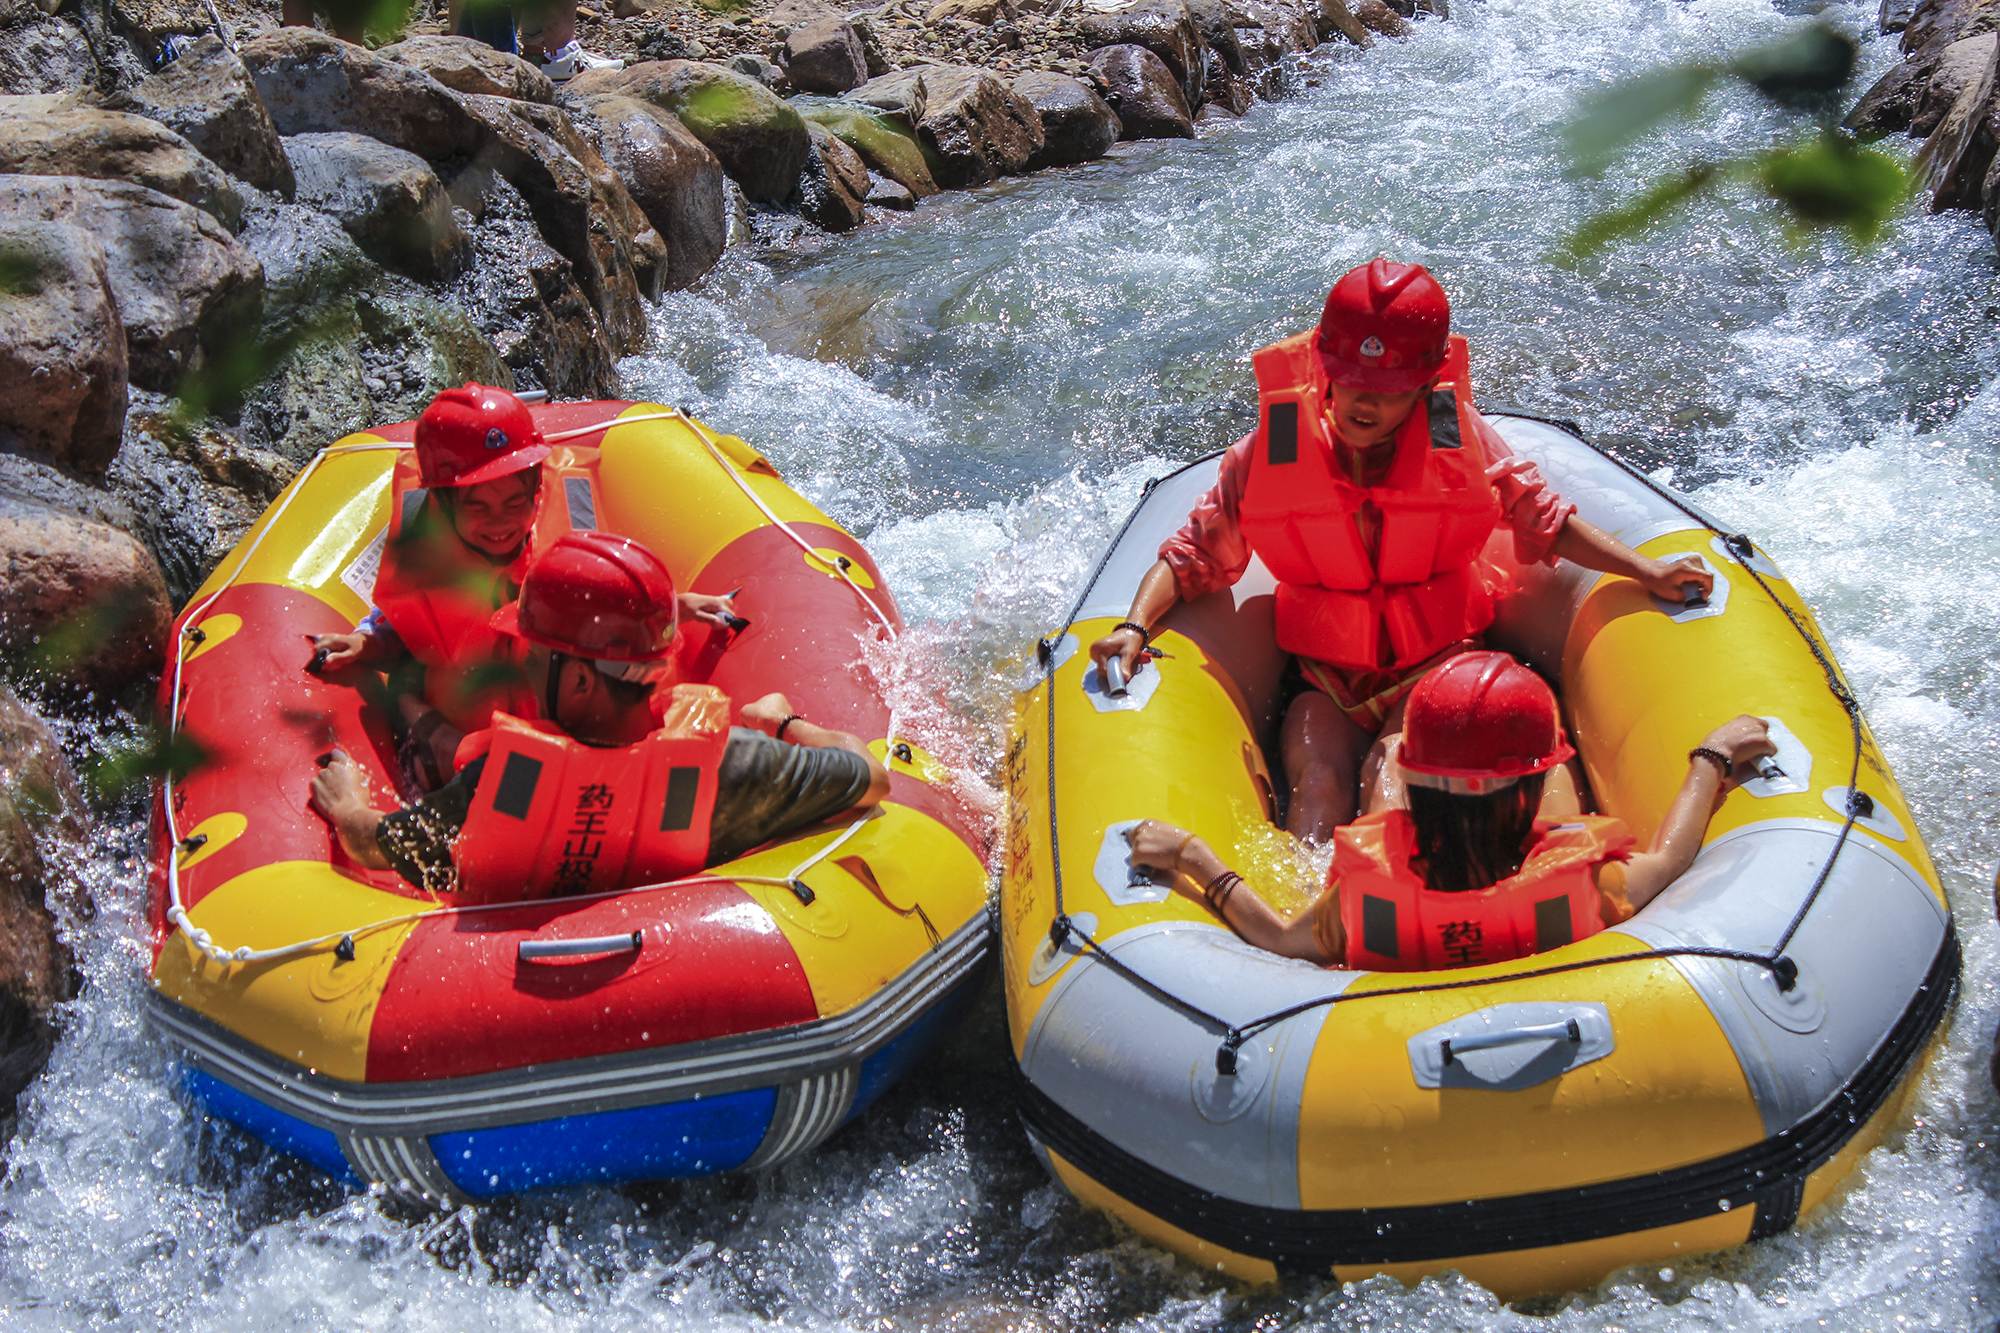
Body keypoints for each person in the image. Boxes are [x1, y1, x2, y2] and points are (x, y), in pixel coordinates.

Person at [1090, 259, 1716, 843]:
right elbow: (1195, 553)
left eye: (1388, 388)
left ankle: (1405, 916)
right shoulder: (1272, 450)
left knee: (1392, 771)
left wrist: (1646, 568)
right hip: (1325, 678)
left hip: (1435, 666)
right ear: (1325, 367)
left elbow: (1542, 518)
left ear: (1422, 387)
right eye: (1353, 382)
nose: (1365, 401)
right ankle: (1313, 924)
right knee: (1319, 788)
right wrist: (1134, 627)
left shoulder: (1456, 433)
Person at [310, 531, 891, 900]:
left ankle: (405, 697)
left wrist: (346, 806)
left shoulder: (501, 783)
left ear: (582, 679)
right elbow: (871, 776)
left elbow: (375, 844)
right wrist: (782, 724)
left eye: (534, 656)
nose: (527, 669)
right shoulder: (734, 765)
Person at [1124, 652, 1775, 971]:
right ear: (1530, 789)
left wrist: (1193, 857)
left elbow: (1274, 937)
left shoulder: (1361, 903)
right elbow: (1673, 856)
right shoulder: (1588, 886)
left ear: (1415, 783)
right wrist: (1710, 757)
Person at [312, 383, 734, 789]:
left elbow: (612, 613)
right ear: (441, 503)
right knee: (406, 689)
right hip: (466, 739)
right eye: (478, 507)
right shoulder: (426, 557)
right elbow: (406, 628)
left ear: (537, 489)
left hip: (553, 732)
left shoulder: (566, 554)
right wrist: (369, 642)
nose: (500, 523)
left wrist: (675, 606)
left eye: (515, 503)